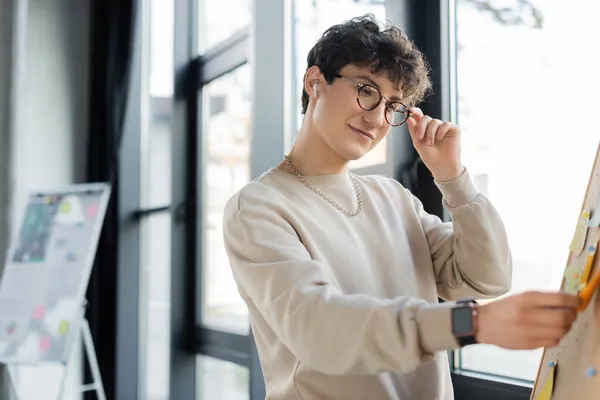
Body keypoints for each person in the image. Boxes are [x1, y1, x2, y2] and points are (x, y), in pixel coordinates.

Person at [222, 14, 579, 400]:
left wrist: (453, 177)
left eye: (393, 106)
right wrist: (472, 323)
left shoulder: (392, 199)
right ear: (315, 83)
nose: (376, 117)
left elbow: (487, 278)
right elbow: (320, 330)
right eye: (366, 90)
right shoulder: (257, 207)